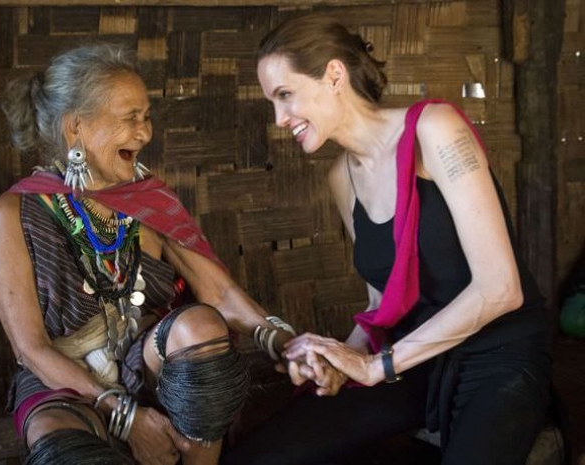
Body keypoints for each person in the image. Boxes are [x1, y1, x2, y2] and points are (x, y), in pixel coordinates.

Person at [220, 14, 553, 465]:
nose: (279, 119)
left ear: (334, 75)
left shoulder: (434, 129)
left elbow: (500, 288)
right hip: (414, 363)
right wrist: (338, 359)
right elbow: (383, 302)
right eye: (272, 102)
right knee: (258, 457)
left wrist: (376, 366)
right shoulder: (342, 178)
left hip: (498, 354)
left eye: (285, 95)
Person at [0, 42, 300, 465]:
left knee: (201, 327)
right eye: (130, 118)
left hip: (145, 363)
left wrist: (285, 343)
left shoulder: (148, 200)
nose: (144, 133)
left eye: (146, 117)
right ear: (75, 127)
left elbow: (220, 294)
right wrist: (126, 418)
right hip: (63, 382)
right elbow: (31, 350)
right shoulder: (14, 213)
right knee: (57, 443)